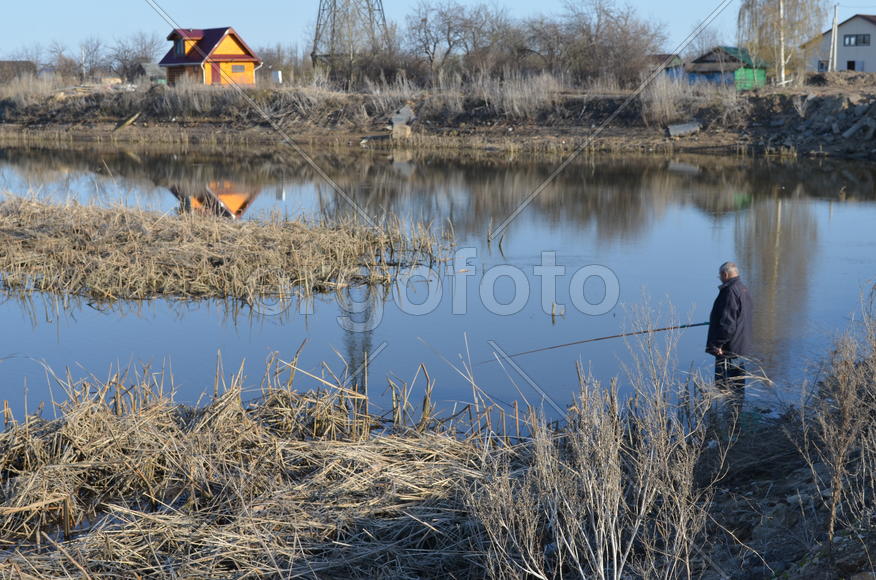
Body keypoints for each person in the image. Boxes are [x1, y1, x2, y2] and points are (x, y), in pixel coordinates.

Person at [706, 262, 754, 406]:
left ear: (725, 275)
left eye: (720, 276)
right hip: (741, 346)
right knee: (738, 386)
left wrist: (718, 344)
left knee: (724, 386)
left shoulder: (730, 291)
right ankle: (736, 417)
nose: (720, 279)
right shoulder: (743, 289)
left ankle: (727, 420)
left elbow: (728, 323)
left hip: (728, 349)